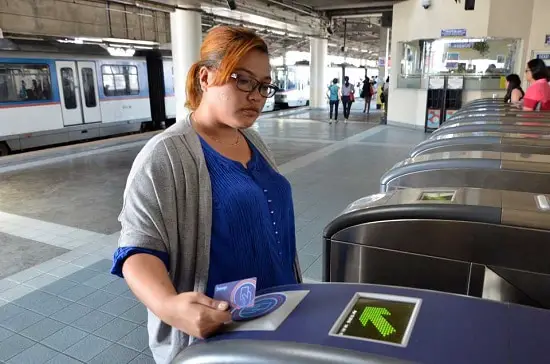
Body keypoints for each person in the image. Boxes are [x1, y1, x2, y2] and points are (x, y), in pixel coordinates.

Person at [111, 26, 302, 364]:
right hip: (219, 332)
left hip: (280, 312)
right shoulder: (166, 155)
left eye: (263, 85)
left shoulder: (253, 141)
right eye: (242, 80)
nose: (256, 95)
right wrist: (168, 306)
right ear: (205, 77)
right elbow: (137, 250)